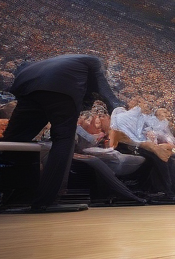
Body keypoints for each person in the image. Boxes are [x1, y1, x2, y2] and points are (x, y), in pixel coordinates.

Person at [2, 55, 125, 212]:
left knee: (14, 141)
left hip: (28, 85)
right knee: (64, 140)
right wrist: (118, 106)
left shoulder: (58, 61)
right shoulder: (93, 61)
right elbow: (104, 90)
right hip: (62, 87)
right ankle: (45, 201)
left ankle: (13, 196)